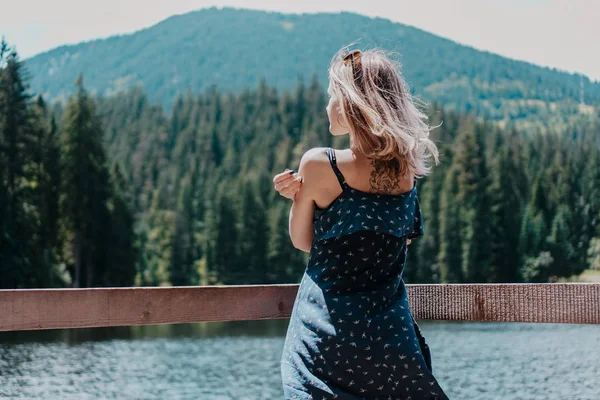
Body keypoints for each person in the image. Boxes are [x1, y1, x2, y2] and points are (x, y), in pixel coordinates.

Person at [273, 46, 449, 399]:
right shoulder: (407, 172)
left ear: (352, 102)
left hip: (327, 337)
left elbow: (303, 240)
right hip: (390, 341)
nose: (327, 106)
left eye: (331, 96)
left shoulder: (320, 164)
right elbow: (399, 246)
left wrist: (297, 200)